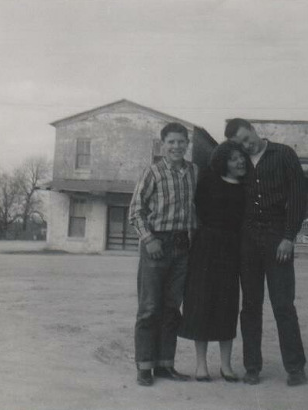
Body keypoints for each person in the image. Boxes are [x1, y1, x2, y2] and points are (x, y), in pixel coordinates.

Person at [225, 118, 307, 387]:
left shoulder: (284, 154)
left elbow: (297, 196)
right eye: (240, 144)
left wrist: (288, 237)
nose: (247, 146)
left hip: (277, 237)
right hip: (247, 240)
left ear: (253, 129)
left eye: (247, 139)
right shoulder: (240, 162)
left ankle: (295, 368)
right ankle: (252, 367)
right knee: (250, 307)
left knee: (283, 304)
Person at [129, 122, 198, 387]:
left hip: (182, 246)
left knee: (172, 308)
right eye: (171, 142)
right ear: (163, 144)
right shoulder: (153, 172)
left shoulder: (193, 172)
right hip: (156, 244)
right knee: (149, 307)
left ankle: (165, 365)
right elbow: (135, 211)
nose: (177, 146)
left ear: (187, 144)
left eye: (181, 142)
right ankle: (144, 366)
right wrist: (149, 239)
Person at [178, 141, 248, 382]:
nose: (240, 161)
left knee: (227, 305)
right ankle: (201, 366)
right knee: (201, 303)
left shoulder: (246, 186)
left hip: (232, 249)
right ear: (223, 162)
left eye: (242, 157)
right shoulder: (208, 181)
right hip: (206, 247)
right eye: (233, 158)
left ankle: (226, 366)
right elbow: (196, 210)